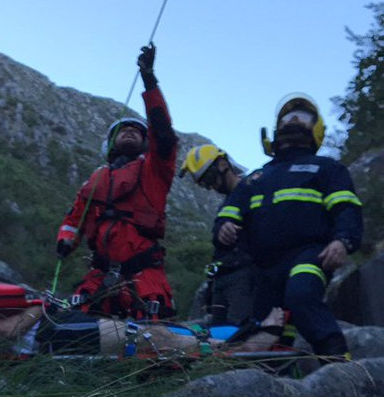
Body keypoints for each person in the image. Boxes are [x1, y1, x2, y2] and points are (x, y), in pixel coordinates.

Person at [214, 93, 363, 362]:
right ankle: (281, 378)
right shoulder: (256, 178)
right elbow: (228, 214)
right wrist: (223, 228)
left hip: (309, 253)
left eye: (303, 117)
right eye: (287, 117)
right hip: (263, 268)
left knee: (302, 295)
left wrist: (343, 240)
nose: (294, 119)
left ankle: (339, 361)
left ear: (316, 129)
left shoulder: (326, 168)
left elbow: (346, 208)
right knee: (265, 330)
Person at [56, 43, 179, 321]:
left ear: (146, 143)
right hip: (100, 273)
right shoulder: (97, 179)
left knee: (150, 336)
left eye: (137, 131)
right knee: (78, 327)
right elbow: (75, 218)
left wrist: (149, 80)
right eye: (123, 131)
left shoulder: (155, 170)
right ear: (110, 144)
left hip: (143, 273)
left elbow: (162, 130)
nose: (130, 133)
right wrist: (65, 240)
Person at [0, 301, 286, 357]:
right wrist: (39, 307)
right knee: (150, 339)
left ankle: (231, 340)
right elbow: (4, 332)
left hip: (55, 330)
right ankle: (250, 346)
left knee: (150, 330)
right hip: (53, 335)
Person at [179, 144, 255, 324]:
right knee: (218, 334)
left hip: (243, 276)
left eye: (210, 178)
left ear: (222, 165)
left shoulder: (251, 188)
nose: (210, 186)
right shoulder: (226, 203)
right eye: (204, 183)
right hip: (222, 278)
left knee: (237, 333)